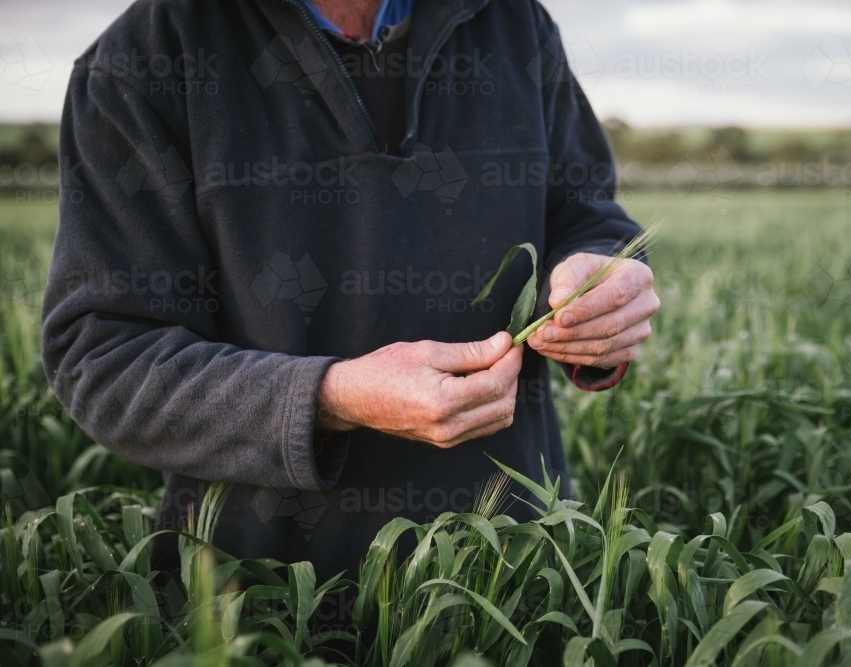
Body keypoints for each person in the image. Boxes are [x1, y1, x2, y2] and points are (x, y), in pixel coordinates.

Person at [41, 0, 660, 585]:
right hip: (266, 600)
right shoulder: (142, 61)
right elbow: (105, 355)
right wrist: (331, 398)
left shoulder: (511, 20)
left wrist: (602, 278)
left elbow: (588, 216)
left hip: (522, 576)